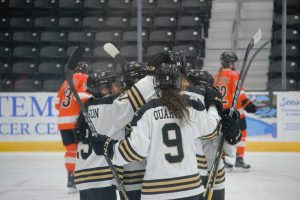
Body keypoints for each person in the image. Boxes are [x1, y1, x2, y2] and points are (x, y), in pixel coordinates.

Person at [90, 57, 240, 200]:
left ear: (155, 85)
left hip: (157, 191)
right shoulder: (192, 107)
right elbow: (212, 130)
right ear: (180, 84)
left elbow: (134, 150)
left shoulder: (146, 111)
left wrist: (108, 147)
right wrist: (214, 107)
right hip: (191, 186)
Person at [74, 64, 156, 200]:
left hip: (84, 177)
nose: (116, 88)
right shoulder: (110, 108)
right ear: (103, 89)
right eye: (112, 86)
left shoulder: (88, 108)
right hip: (99, 177)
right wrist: (150, 77)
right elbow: (134, 98)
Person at [186, 68, 241, 200]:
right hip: (190, 176)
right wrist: (213, 109)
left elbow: (229, 152)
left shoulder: (216, 113)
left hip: (216, 176)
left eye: (204, 87)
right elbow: (206, 131)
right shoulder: (185, 112)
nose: (201, 90)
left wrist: (232, 133)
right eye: (196, 86)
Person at [213, 51, 256, 171]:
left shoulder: (217, 76)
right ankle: (239, 159)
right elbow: (239, 93)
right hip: (235, 111)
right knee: (242, 133)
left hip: (221, 110)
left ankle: (221, 159)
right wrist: (248, 104)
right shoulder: (234, 74)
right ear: (231, 62)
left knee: (222, 134)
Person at [55, 62, 90, 193]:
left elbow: (56, 104)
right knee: (81, 149)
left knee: (70, 151)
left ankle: (71, 177)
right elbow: (81, 97)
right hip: (75, 121)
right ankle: (81, 177)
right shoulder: (84, 78)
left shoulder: (66, 81)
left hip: (63, 122)